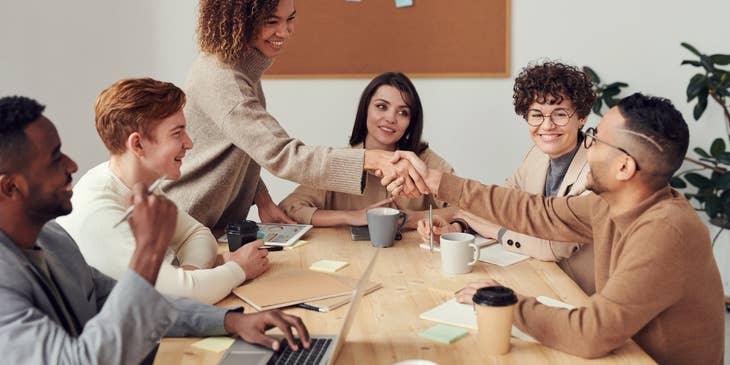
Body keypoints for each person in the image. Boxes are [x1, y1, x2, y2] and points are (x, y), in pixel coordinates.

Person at [388, 93, 725, 365]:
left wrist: (506, 303)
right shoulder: (610, 204)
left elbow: (589, 334)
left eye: (594, 139)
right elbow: (536, 212)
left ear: (624, 166)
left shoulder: (666, 231)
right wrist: (438, 182)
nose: (586, 144)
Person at [0, 96, 310, 364]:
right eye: (55, 158)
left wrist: (231, 321)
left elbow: (121, 300)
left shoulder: (53, 239)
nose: (71, 165)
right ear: (10, 186)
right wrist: (149, 251)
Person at [164, 0, 427, 230]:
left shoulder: (240, 70)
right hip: (185, 224)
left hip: (209, 226)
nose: (284, 31)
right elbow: (282, 154)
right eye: (272, 21)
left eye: (290, 19)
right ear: (241, 20)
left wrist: (262, 199)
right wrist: (371, 160)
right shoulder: (225, 80)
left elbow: (246, 147)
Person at [57, 78, 268, 304]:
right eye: (177, 133)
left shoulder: (137, 184)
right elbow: (178, 298)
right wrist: (238, 269)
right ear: (137, 145)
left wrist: (189, 276)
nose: (189, 143)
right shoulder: (98, 214)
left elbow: (196, 234)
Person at [417, 62, 596, 294]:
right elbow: (500, 206)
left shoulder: (596, 169)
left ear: (581, 117)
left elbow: (552, 246)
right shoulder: (536, 155)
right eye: (537, 115)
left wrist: (497, 231)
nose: (547, 125)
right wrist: (459, 226)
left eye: (560, 114)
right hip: (536, 278)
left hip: (578, 294)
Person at [279, 72, 455, 228]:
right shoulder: (341, 161)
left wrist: (415, 218)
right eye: (381, 106)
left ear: (411, 122)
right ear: (365, 110)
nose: (390, 118)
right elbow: (289, 208)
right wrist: (352, 216)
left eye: (403, 113)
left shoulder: (424, 160)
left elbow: (467, 209)